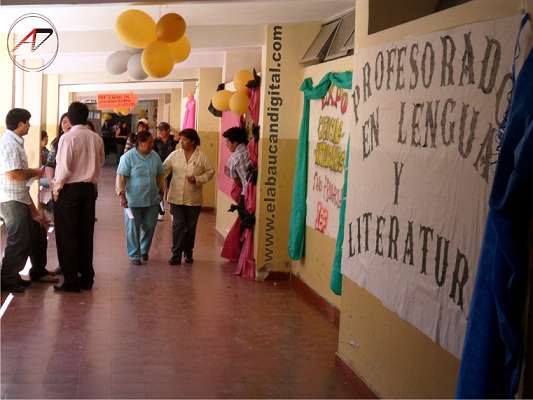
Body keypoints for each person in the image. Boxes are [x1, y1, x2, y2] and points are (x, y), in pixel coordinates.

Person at [0, 108, 58, 293]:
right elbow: (12, 175)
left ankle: (27, 272)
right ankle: (7, 279)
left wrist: (35, 213)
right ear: (20, 124)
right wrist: (34, 172)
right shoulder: (9, 144)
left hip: (20, 197)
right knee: (18, 240)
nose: (30, 125)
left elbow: (21, 185)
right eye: (28, 122)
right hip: (10, 199)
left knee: (34, 233)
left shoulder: (16, 143)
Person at [52, 101, 105, 293]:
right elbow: (101, 162)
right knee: (85, 234)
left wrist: (56, 189)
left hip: (69, 191)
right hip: (88, 190)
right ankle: (87, 278)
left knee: (67, 235)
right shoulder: (96, 138)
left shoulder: (67, 138)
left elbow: (63, 168)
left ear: (71, 118)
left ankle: (71, 280)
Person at [163, 128, 214, 265]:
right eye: (181, 139)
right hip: (176, 197)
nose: (181, 142)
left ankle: (188, 252)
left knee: (190, 228)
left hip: (193, 198)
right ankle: (176, 254)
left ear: (192, 141)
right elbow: (163, 170)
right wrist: (159, 185)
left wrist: (197, 179)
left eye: (185, 139)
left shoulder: (201, 156)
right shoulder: (175, 155)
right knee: (178, 225)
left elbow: (210, 172)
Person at [116, 131, 166, 265]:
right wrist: (122, 196)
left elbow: (160, 174)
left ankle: (144, 250)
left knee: (150, 226)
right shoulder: (128, 157)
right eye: (150, 142)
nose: (152, 144)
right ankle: (134, 254)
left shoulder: (154, 156)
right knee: (133, 228)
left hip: (152, 198)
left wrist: (161, 188)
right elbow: (121, 177)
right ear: (140, 143)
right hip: (133, 200)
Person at [153, 121, 178, 221]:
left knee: (172, 190)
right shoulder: (156, 141)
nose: (160, 132)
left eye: (162, 130)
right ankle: (160, 212)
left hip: (172, 168)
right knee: (159, 190)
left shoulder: (172, 139)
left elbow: (178, 136)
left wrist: (170, 127)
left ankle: (173, 212)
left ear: (168, 131)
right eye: (159, 130)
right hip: (160, 168)